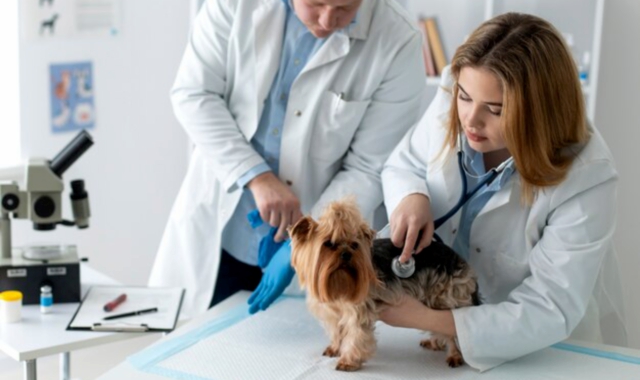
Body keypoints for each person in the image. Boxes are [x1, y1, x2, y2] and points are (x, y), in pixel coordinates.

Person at [379, 12, 627, 371]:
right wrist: (412, 196)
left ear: (539, 113)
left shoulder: (588, 176)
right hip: (444, 332)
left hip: (542, 350)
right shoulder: (461, 90)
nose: (470, 120)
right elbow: (405, 164)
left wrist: (427, 319)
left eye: (495, 110)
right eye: (464, 98)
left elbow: (550, 306)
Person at [149, 0, 426, 317]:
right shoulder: (234, 5)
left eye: (345, 8)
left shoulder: (397, 38)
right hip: (224, 231)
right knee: (192, 346)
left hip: (315, 246)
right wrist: (256, 176)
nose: (327, 20)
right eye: (315, 4)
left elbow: (368, 166)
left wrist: (307, 244)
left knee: (291, 357)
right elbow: (194, 94)